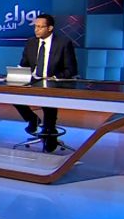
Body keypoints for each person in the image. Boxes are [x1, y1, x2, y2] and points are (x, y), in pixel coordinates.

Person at [13, 13, 78, 152]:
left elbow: (71, 69)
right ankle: (32, 118)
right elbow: (24, 64)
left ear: (50, 28)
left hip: (53, 82)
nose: (36, 30)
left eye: (40, 27)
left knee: (48, 100)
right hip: (34, 80)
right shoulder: (31, 42)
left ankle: (50, 131)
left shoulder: (63, 43)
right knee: (13, 93)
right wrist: (17, 74)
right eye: (35, 26)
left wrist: (53, 77)